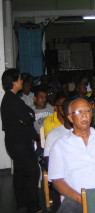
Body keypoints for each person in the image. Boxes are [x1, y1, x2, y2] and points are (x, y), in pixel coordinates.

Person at [48, 99, 95, 213]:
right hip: (75, 199)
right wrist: (80, 199)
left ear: (91, 115)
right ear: (70, 118)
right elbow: (57, 180)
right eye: (79, 112)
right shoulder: (59, 145)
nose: (84, 115)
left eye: (87, 111)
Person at [1, 69, 41, 213]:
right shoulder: (12, 100)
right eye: (19, 79)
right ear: (14, 82)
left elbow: (28, 116)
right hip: (20, 143)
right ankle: (33, 206)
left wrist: (28, 116)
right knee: (33, 171)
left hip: (15, 142)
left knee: (20, 172)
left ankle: (22, 205)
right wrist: (28, 117)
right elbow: (28, 117)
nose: (22, 81)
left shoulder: (10, 98)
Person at [44, 98, 73, 170]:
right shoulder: (54, 134)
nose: (73, 113)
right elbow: (48, 165)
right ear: (63, 112)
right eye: (69, 110)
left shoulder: (87, 133)